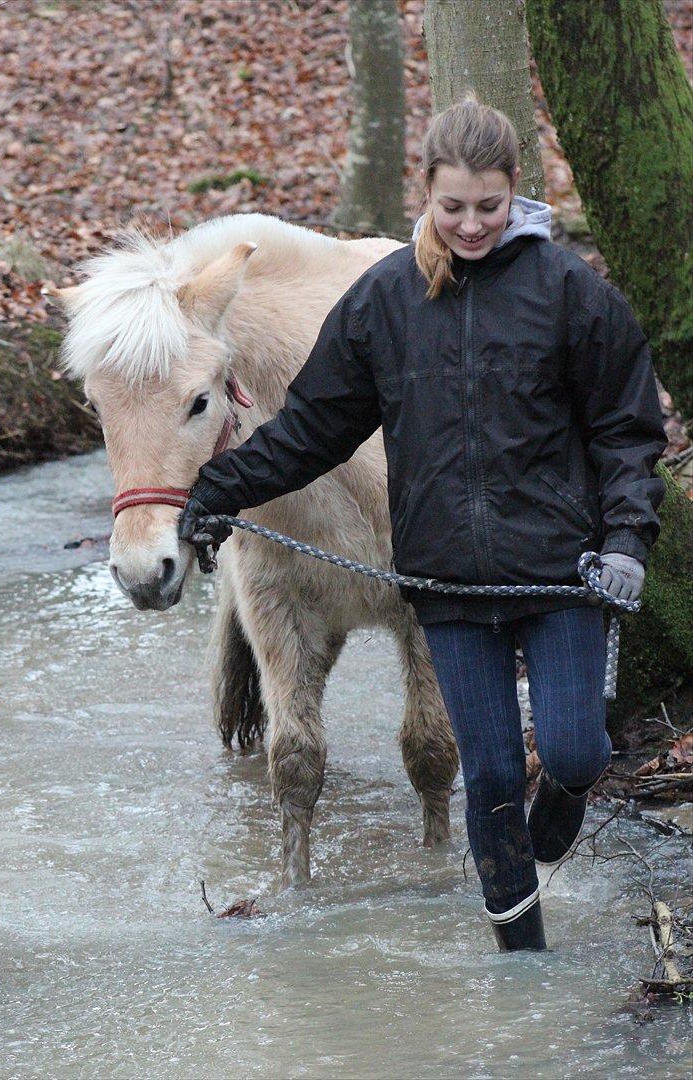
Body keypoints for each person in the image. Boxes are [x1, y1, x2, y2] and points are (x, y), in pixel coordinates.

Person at [179, 96, 667, 951]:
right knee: (481, 776)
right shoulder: (384, 300)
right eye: (453, 208)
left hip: (560, 573)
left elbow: (625, 429)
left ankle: (557, 807)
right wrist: (214, 492)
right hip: (444, 582)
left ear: (514, 191)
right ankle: (522, 961)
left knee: (575, 750)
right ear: (427, 196)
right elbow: (312, 429)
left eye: (488, 206)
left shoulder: (571, 294)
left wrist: (626, 539)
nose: (471, 225)